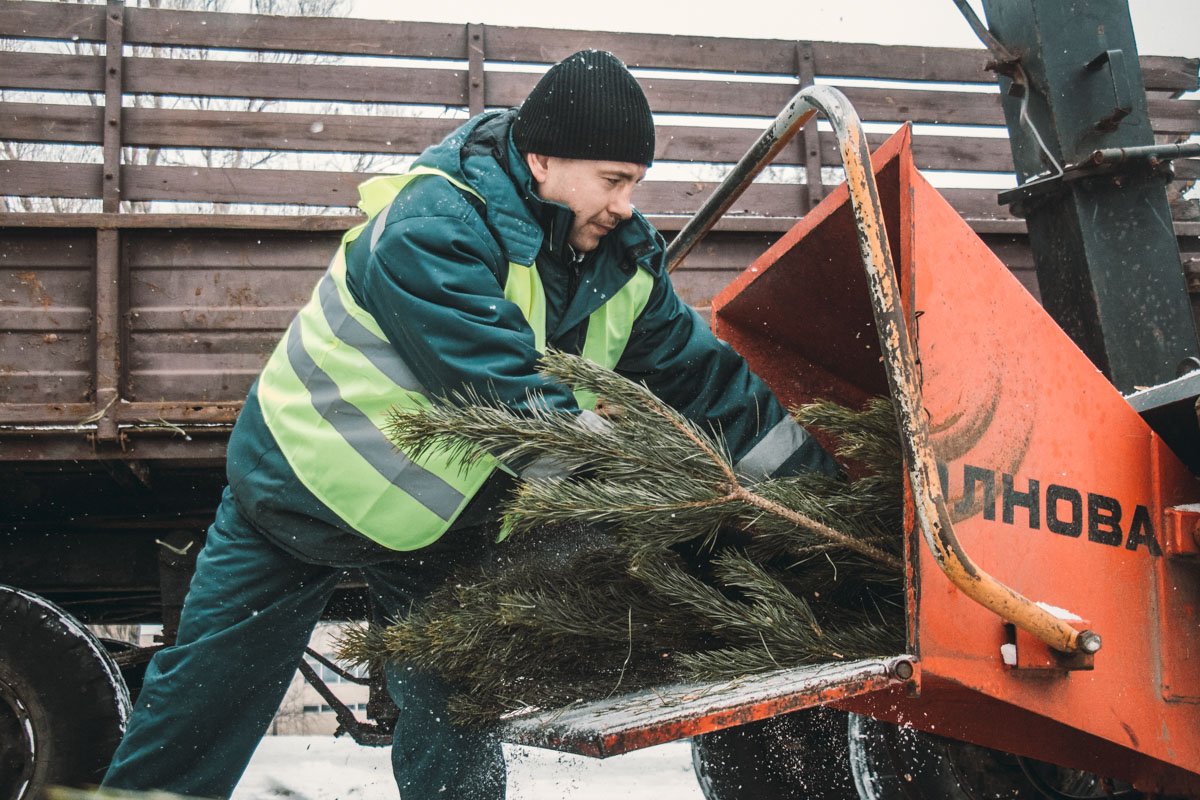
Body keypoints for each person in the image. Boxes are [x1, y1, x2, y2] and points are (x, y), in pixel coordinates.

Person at [101, 49, 835, 799]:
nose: (626, 205)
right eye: (613, 181)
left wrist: (820, 505)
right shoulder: (434, 227)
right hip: (296, 492)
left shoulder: (620, 268)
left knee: (458, 739)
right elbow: (514, 405)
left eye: (635, 183)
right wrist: (646, 508)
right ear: (542, 160)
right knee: (198, 716)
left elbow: (707, 384)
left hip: (439, 526)